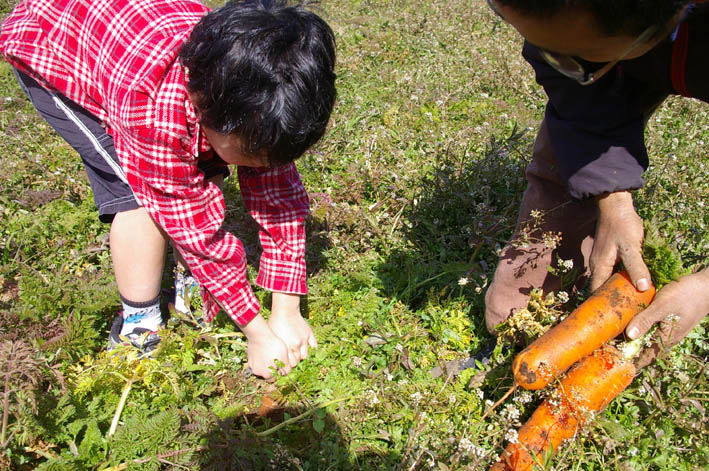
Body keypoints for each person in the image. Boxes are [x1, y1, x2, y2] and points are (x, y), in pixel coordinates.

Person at [0, 0, 337, 379]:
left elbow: (278, 198)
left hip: (131, 34)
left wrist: (286, 310)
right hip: (57, 46)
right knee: (137, 197)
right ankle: (138, 326)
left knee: (206, 164)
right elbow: (192, 227)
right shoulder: (153, 113)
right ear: (202, 105)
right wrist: (256, 332)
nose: (265, 165)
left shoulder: (256, 92)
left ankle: (194, 285)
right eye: (256, 153)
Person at [483, 0, 708, 367]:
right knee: (567, 167)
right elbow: (581, 112)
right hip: (618, 59)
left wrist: (706, 288)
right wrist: (612, 197)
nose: (545, 56)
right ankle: (515, 342)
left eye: (571, 58)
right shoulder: (561, 25)